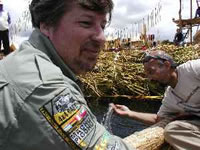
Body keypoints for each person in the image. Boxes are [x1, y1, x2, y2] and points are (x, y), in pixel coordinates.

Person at [0, 0, 136, 150]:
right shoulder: (45, 87)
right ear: (46, 25)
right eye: (86, 22)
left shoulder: (24, 60)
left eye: (102, 26)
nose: (102, 38)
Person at [112, 50, 200, 150]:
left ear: (166, 65)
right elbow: (158, 119)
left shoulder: (192, 69)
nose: (150, 79)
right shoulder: (170, 97)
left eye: (151, 72)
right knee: (171, 130)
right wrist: (129, 113)